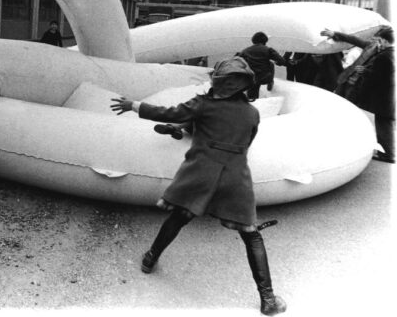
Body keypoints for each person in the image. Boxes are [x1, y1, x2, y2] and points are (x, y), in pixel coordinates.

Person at [110, 57, 287, 316]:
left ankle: (150, 259)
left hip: (201, 174)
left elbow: (169, 112)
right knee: (251, 235)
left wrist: (133, 105)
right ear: (243, 85)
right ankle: (268, 300)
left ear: (217, 82)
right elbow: (245, 142)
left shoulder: (203, 105)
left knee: (179, 216)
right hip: (235, 178)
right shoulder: (252, 113)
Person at [321, 26, 395, 163]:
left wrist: (365, 72)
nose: (375, 42)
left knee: (351, 110)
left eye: (377, 39)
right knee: (339, 105)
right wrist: (335, 34)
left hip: (357, 86)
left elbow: (381, 76)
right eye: (374, 39)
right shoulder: (372, 47)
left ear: (384, 41)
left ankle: (347, 138)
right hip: (347, 80)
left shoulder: (386, 54)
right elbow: (354, 39)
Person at [237, 32, 288, 100]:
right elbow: (282, 61)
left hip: (251, 78)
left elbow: (236, 61)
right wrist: (277, 62)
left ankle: (252, 102)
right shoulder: (268, 49)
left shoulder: (245, 51)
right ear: (265, 41)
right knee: (271, 63)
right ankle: (270, 81)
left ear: (253, 40)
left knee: (252, 96)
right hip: (265, 77)